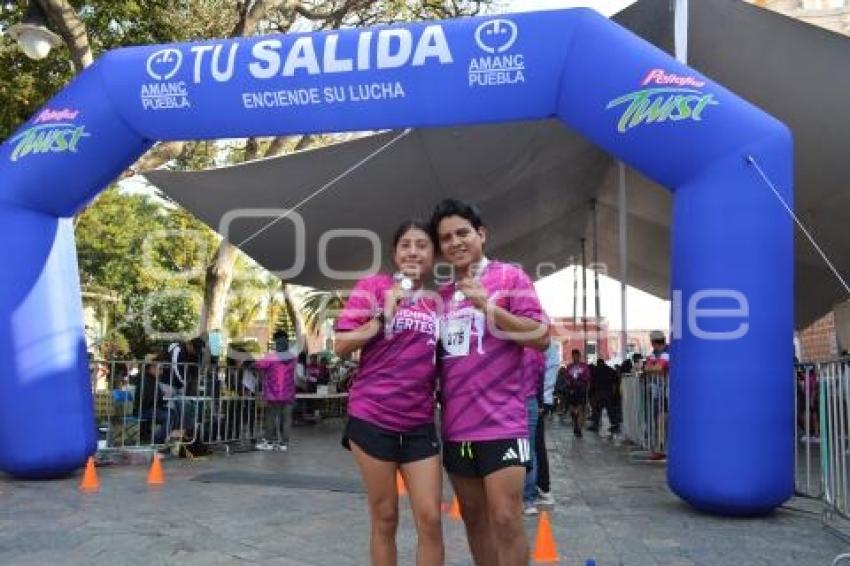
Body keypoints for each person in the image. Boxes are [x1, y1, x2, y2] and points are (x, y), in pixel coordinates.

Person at [431, 199, 549, 566]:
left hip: (503, 422)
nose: (455, 242)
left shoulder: (511, 278)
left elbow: (541, 336)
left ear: (481, 235)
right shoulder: (442, 297)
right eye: (446, 238)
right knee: (474, 517)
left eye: (462, 232)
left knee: (506, 517)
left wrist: (489, 307)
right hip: (457, 427)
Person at [335, 220, 443, 566]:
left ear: (432, 255)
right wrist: (383, 314)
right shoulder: (372, 287)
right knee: (385, 517)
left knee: (431, 518)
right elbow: (341, 345)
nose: (413, 251)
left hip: (419, 423)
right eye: (406, 245)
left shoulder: (437, 302)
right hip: (373, 418)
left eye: (422, 245)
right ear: (395, 254)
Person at [254, 330, 297, 451]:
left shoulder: (271, 357)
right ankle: (284, 444)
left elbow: (258, 365)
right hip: (289, 393)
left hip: (274, 394)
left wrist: (250, 363)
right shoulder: (293, 357)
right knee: (287, 418)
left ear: (276, 342)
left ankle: (269, 441)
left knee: (271, 417)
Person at [522, 347, 547, 517]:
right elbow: (540, 379)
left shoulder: (503, 345)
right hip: (530, 401)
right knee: (529, 450)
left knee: (503, 449)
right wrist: (541, 403)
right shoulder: (535, 351)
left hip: (505, 401)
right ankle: (529, 500)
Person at [563, 349, 592, 438]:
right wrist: (568, 384)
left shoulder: (584, 366)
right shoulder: (569, 366)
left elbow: (588, 378)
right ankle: (575, 421)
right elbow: (566, 377)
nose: (575, 358)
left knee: (580, 408)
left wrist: (587, 388)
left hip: (581, 389)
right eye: (573, 356)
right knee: (572, 409)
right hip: (571, 390)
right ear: (572, 356)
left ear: (579, 356)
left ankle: (578, 428)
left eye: (576, 356)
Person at [588, 358, 620, 436]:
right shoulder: (610, 370)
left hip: (598, 392)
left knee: (597, 410)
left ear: (598, 363)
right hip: (608, 392)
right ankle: (614, 425)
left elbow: (591, 382)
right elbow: (616, 381)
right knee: (610, 410)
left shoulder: (595, 370)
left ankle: (595, 425)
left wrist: (590, 392)